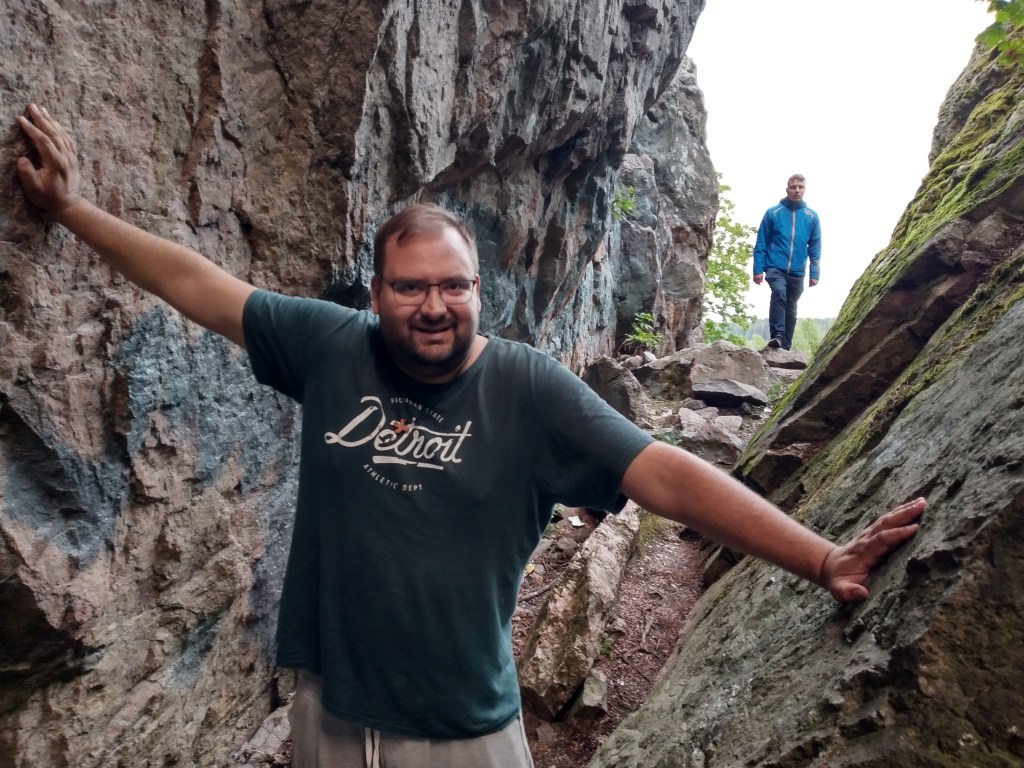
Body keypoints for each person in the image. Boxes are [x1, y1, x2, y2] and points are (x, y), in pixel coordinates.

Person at [14, 104, 923, 768]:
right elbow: (197, 286)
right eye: (410, 286)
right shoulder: (330, 347)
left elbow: (668, 475)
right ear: (376, 294)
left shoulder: (527, 389)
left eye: (453, 285)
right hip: (329, 711)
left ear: (479, 290)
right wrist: (70, 210)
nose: (434, 305)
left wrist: (821, 558)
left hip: (463, 732)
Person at [752, 174, 822, 351]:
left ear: (805, 189)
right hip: (775, 266)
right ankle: (777, 335)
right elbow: (761, 242)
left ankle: (785, 347)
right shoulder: (773, 213)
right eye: (793, 187)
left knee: (791, 307)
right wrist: (758, 269)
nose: (797, 190)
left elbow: (815, 246)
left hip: (798, 270)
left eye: (800, 187)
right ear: (787, 189)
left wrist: (814, 273)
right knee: (779, 293)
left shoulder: (811, 217)